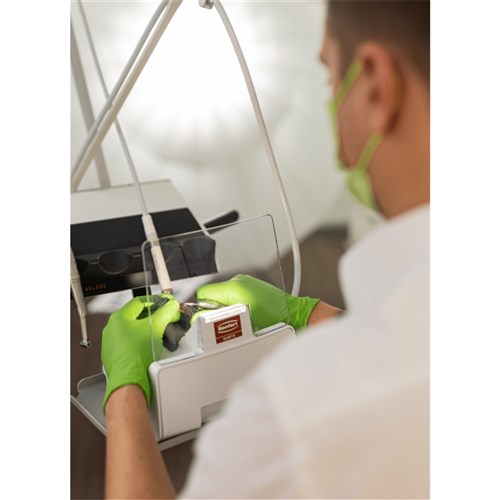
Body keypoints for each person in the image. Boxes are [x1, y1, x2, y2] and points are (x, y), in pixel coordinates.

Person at [101, 0, 430, 497]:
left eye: (330, 80)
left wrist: (124, 390)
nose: (337, 136)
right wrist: (309, 313)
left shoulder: (288, 419)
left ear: (375, 87)